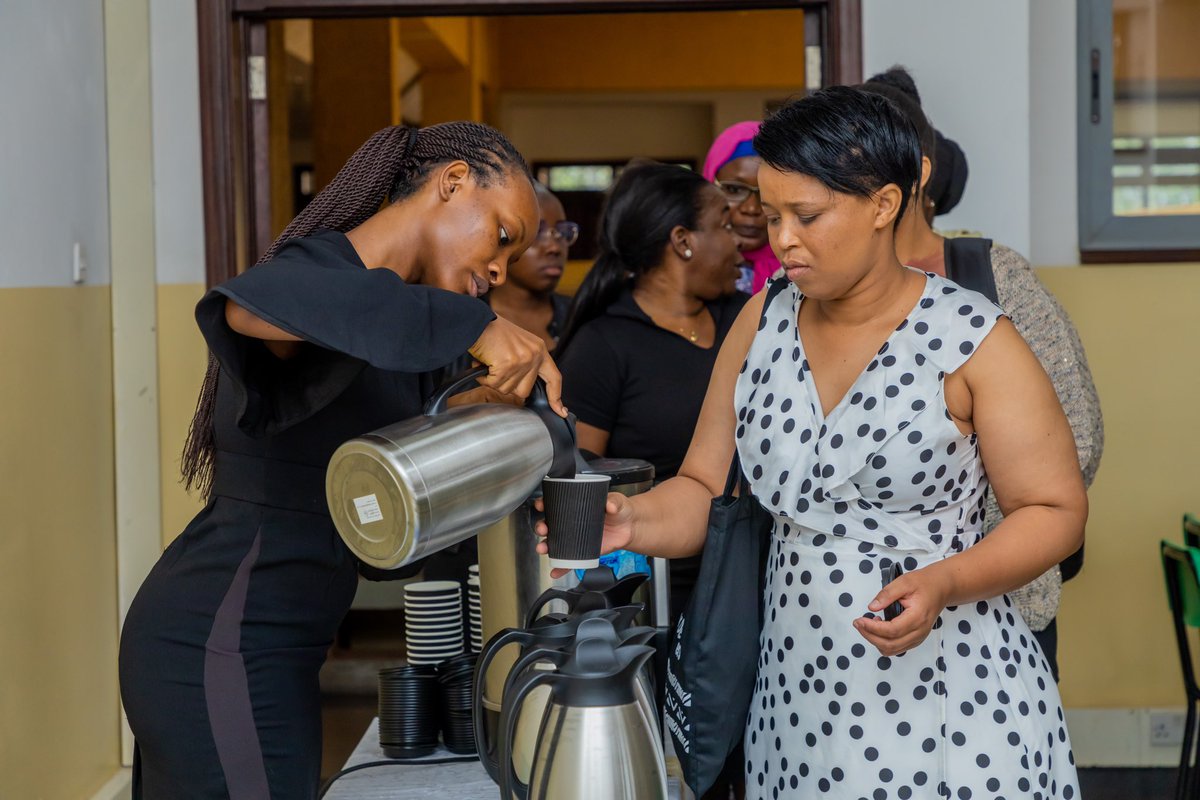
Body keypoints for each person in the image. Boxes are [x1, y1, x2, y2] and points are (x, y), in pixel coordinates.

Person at [540, 88, 1086, 799]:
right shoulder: (761, 323)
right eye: (770, 216)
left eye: (808, 216)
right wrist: (632, 521)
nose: (781, 240)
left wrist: (946, 581)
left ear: (884, 205)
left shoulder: (973, 338)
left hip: (954, 687)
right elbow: (706, 488)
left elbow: (1053, 509)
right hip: (799, 690)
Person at [118, 122, 564, 799]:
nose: (502, 268)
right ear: (452, 183)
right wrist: (478, 326)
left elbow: (386, 535)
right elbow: (248, 310)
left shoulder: (410, 346)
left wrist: (490, 419)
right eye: (503, 234)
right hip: (214, 639)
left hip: (281, 651)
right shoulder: (317, 275)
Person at [862, 66, 1104, 681]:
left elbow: (1074, 439)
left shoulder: (992, 278)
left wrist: (967, 559)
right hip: (848, 616)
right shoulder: (798, 297)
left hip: (996, 611)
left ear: (915, 174)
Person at [486, 181, 576, 350]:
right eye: (537, 233)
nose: (554, 247)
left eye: (562, 232)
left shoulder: (581, 317)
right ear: (501, 238)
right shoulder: (468, 323)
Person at [702, 122, 780, 294]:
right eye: (734, 189)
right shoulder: (688, 271)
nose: (751, 208)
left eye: (766, 193)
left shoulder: (802, 273)